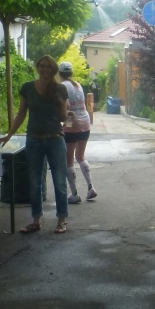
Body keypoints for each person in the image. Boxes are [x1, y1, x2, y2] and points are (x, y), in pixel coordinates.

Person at [0, 55, 69, 234]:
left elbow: (62, 117)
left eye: (49, 67)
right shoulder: (27, 88)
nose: (45, 69)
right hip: (34, 140)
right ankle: (36, 220)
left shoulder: (60, 89)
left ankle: (61, 220)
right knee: (34, 183)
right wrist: (9, 135)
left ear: (54, 69)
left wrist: (66, 113)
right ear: (38, 67)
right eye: (42, 65)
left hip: (55, 139)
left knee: (59, 181)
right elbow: (21, 114)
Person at [58, 61, 97, 203]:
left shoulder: (62, 86)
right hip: (85, 122)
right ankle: (91, 187)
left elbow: (67, 107)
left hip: (72, 121)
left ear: (59, 73)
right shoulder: (78, 85)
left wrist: (65, 126)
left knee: (69, 159)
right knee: (80, 156)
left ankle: (74, 194)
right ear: (72, 72)